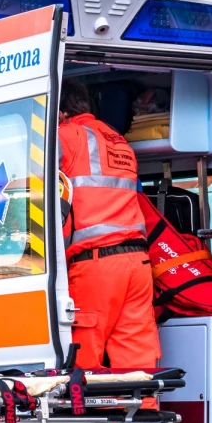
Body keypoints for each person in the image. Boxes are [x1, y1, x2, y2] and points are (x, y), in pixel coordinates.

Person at [57, 78, 160, 373]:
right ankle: (144, 416)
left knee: (83, 358)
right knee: (137, 355)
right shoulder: (117, 140)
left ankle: (87, 418)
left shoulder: (68, 136)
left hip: (96, 266)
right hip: (137, 264)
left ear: (60, 112)